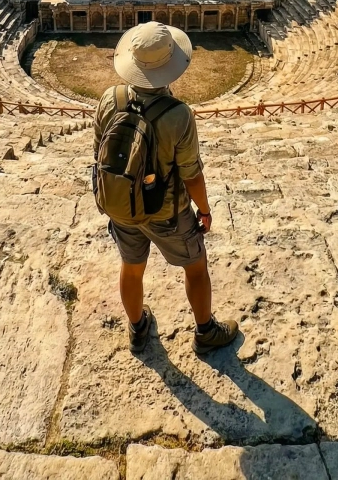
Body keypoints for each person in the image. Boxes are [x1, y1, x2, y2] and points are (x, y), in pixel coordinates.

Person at [93, 21, 238, 355]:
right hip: (167, 212)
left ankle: (137, 329)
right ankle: (205, 333)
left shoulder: (108, 99)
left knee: (131, 268)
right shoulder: (179, 115)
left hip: (122, 206)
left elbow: (100, 153)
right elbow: (191, 175)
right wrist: (203, 210)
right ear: (171, 65)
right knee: (196, 267)